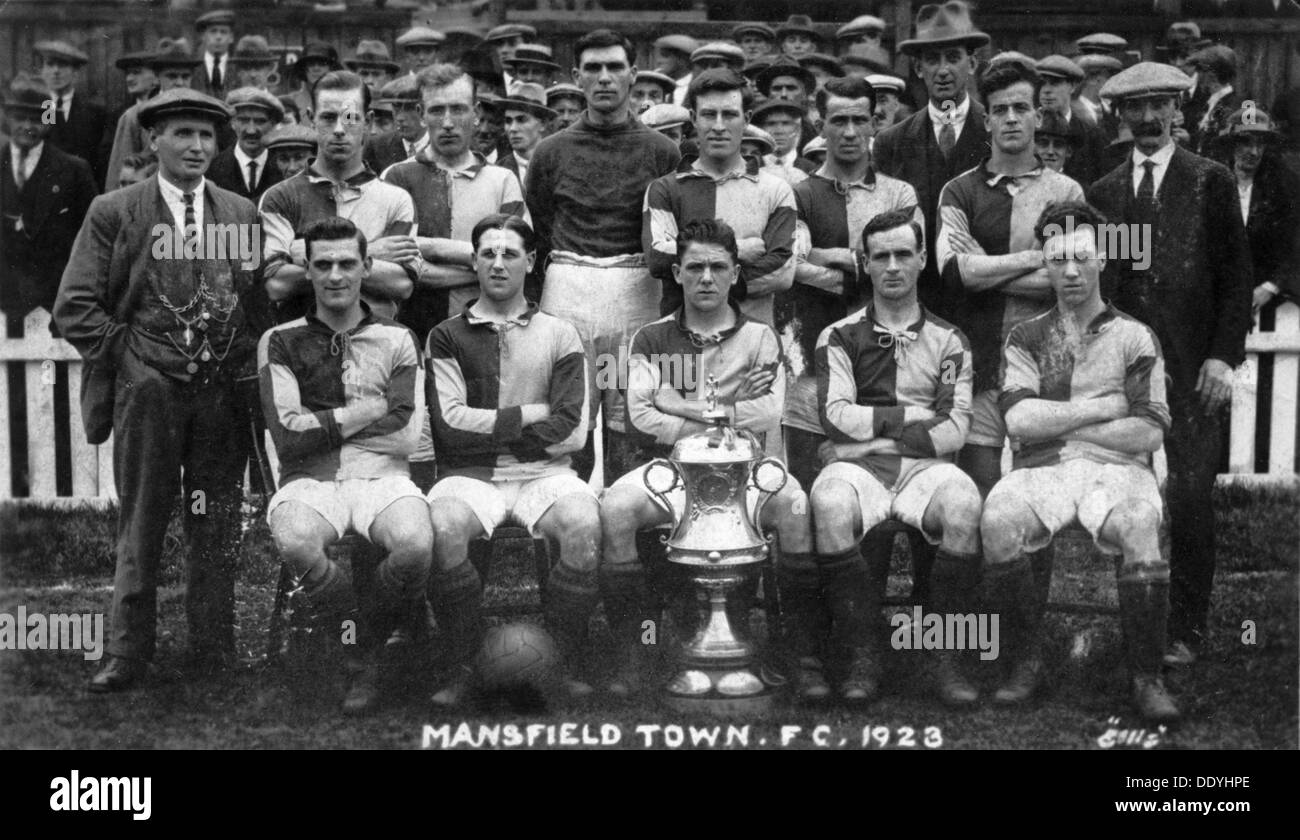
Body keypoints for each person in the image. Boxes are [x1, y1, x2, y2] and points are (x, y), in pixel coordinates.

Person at [53, 88, 259, 692]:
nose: (196, 146)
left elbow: (249, 302)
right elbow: (74, 307)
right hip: (149, 396)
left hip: (220, 397)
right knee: (142, 520)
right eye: (183, 134)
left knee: (215, 521)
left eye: (206, 136)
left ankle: (212, 648)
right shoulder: (114, 211)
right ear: (153, 141)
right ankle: (126, 652)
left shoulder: (240, 213)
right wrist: (132, 361)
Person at [982, 201, 1179, 722]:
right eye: (1057, 259)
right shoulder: (1025, 337)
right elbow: (1019, 422)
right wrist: (1104, 408)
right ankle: (1026, 663)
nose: (1070, 271)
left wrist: (1065, 418)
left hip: (1119, 471)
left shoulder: (1135, 336)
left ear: (1103, 259)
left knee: (1139, 523)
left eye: (1082, 258)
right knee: (998, 520)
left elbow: (1150, 428)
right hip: (1042, 468)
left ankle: (1146, 676)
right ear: (1044, 265)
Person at [1088, 62, 1254, 669]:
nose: (1149, 118)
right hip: (1126, 373)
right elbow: (1104, 285)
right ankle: (1138, 626)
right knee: (1125, 496)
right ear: (1120, 115)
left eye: (1160, 105)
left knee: (1188, 498)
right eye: (1136, 108)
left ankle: (1188, 629)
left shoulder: (1209, 181)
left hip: (1193, 369)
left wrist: (1220, 357)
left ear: (1177, 110)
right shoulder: (1104, 193)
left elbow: (1237, 279)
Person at [601, 218, 807, 697]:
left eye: (718, 267)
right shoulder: (649, 338)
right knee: (616, 508)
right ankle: (639, 647)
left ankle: (793, 650)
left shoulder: (760, 337)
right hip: (673, 469)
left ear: (736, 273)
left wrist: (676, 402)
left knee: (797, 506)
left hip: (748, 469)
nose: (706, 278)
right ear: (676, 273)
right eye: (695, 267)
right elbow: (640, 415)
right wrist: (725, 412)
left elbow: (768, 413)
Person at [424, 214, 599, 706]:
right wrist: (532, 414)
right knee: (442, 528)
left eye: (510, 254)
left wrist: (499, 430)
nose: (498, 264)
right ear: (474, 261)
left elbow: (572, 430)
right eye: (487, 253)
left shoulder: (562, 333)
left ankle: (562, 661)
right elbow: (450, 429)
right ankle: (465, 663)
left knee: (585, 525)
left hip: (546, 474)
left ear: (532, 262)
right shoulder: (445, 336)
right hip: (470, 475)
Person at [808, 208, 980, 706]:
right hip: (856, 469)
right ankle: (864, 652)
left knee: (965, 506)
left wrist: (876, 434)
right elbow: (836, 417)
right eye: (880, 256)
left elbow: (955, 428)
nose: (893, 266)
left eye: (904, 254)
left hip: (924, 469)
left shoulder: (950, 340)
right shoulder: (838, 335)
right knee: (831, 504)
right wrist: (912, 417)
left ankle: (943, 653)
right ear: (864, 262)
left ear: (923, 258)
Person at [259, 216, 430, 715]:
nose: (336, 275)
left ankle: (363, 648)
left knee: (416, 543)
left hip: (383, 476)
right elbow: (290, 437)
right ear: (306, 271)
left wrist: (324, 422)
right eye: (323, 264)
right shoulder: (279, 340)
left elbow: (405, 434)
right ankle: (355, 646)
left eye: (347, 264)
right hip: (310, 479)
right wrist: (371, 408)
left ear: (367, 267)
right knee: (295, 540)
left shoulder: (399, 338)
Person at [526, 29, 682, 484]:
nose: (605, 78)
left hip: (635, 293)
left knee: (631, 423)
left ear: (633, 74)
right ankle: (569, 540)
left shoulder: (662, 151)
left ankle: (626, 542)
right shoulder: (550, 152)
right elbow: (539, 230)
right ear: (577, 77)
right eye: (593, 68)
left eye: (615, 67)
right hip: (570, 290)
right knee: (569, 426)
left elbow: (667, 237)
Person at [934, 62, 1085, 498]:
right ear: (987, 120)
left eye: (1022, 107)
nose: (1012, 118)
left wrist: (988, 268)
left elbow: (1066, 281)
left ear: (1039, 116)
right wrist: (1035, 257)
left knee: (1040, 493)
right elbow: (957, 272)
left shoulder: (1067, 193)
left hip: (1045, 361)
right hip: (977, 357)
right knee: (979, 488)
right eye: (1000, 110)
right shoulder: (960, 190)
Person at [781, 77, 921, 494]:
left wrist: (824, 255)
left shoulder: (898, 194)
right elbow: (789, 264)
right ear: (818, 123)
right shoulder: (796, 193)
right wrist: (861, 265)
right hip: (809, 357)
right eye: (838, 120)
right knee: (809, 486)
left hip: (886, 358)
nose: (849, 132)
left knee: (885, 484)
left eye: (860, 119)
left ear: (874, 123)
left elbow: (908, 265)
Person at [259, 71, 417, 325]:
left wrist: (307, 256)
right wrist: (369, 253)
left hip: (375, 344)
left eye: (351, 118)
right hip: (301, 345)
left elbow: (401, 284)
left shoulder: (396, 199)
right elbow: (276, 284)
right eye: (328, 118)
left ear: (368, 120)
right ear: (311, 118)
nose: (339, 130)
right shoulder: (279, 197)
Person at [643, 69, 796, 330]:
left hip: (752, 341)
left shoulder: (776, 190)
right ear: (693, 118)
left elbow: (781, 271)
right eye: (708, 114)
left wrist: (696, 273)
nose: (718, 126)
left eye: (729, 114)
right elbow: (658, 258)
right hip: (682, 340)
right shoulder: (665, 188)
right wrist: (738, 250)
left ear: (746, 119)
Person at [872, 0, 991, 323]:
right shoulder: (890, 142)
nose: (942, 70)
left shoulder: (996, 134)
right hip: (917, 304)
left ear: (972, 64)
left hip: (986, 300)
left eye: (953, 58)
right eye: (931, 59)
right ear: (917, 68)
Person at [1, 75, 98, 329]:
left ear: (49, 119)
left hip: (54, 304)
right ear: (6, 118)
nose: (27, 125)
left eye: (36, 118)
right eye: (20, 118)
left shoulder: (73, 170)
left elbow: (91, 240)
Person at [105, 39, 201, 191]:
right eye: (172, 76)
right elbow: (119, 173)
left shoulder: (201, 116)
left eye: (185, 76)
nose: (179, 82)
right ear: (157, 78)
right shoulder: (134, 117)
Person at [36, 40, 110, 188]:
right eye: (50, 64)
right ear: (42, 71)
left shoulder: (95, 112)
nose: (56, 71)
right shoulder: (40, 109)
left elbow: (101, 161)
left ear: (75, 72)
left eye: (62, 65)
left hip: (82, 190)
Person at [1035, 55, 1107, 188]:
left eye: (1055, 83)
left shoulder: (1091, 133)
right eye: (1042, 83)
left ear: (1072, 87)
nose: (1046, 90)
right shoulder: (1027, 128)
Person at [206, 87, 284, 202]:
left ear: (273, 125)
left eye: (260, 121)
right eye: (243, 120)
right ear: (232, 122)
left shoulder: (284, 167)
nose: (251, 130)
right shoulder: (212, 169)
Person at [493, 83, 555, 196]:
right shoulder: (496, 171)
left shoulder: (557, 165)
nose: (513, 128)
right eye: (508, 121)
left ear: (543, 124)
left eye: (521, 120)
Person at [364, 76, 429, 174]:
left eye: (409, 108)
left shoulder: (441, 146)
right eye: (396, 107)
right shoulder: (376, 146)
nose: (400, 117)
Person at [286, 41, 340, 126]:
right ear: (304, 70)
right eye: (311, 64)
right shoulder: (290, 103)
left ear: (332, 69)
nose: (316, 68)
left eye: (322, 64)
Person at [194, 8, 234, 99]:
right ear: (203, 36)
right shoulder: (194, 68)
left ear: (231, 37)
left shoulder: (237, 69)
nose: (218, 37)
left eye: (223, 32)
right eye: (213, 31)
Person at [652, 35, 698, 106]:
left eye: (665, 55)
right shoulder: (656, 86)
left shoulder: (699, 88)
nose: (658, 61)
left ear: (683, 59)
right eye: (657, 56)